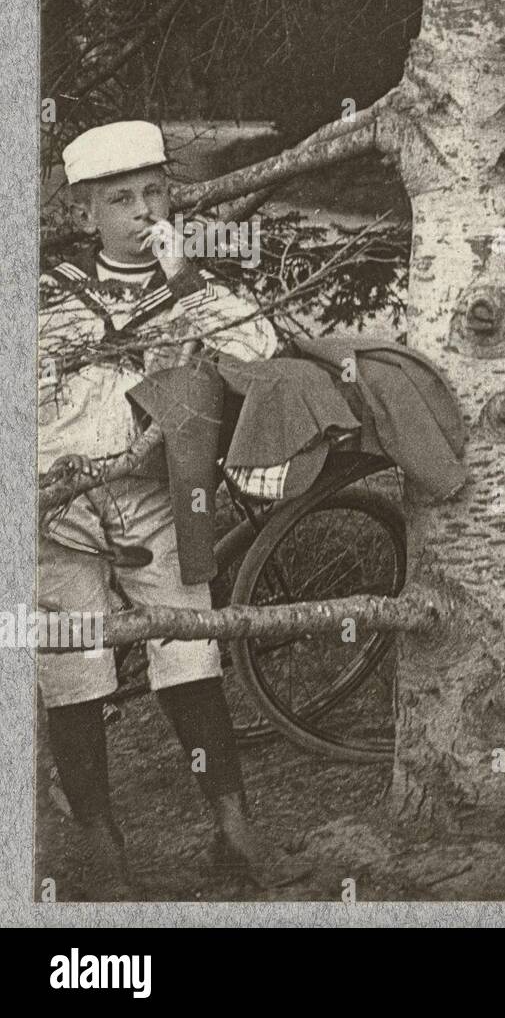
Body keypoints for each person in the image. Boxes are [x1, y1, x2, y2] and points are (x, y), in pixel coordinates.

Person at [39, 119, 309, 896]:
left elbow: (259, 352)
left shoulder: (195, 289)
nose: (141, 210)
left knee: (192, 658)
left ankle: (234, 831)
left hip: (160, 505)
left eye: (155, 191)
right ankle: (103, 850)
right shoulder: (46, 296)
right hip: (58, 518)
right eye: (119, 198)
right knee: (74, 677)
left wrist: (184, 280)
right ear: (87, 213)